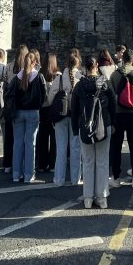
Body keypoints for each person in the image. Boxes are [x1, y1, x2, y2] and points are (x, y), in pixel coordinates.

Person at [72, 54, 116, 208]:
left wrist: (75, 129)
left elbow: (74, 109)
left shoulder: (79, 86)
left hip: (85, 126)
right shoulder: (105, 83)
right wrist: (113, 123)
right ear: (97, 66)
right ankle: (102, 198)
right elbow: (113, 104)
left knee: (88, 162)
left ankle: (88, 198)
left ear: (85, 67)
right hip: (104, 124)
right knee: (102, 161)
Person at [8, 49, 45, 182]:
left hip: (18, 112)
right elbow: (44, 95)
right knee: (30, 144)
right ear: (35, 62)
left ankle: (16, 174)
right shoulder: (38, 76)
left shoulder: (17, 77)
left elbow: (10, 94)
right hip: (33, 112)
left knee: (17, 143)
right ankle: (29, 175)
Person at [108, 47, 133, 186]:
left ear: (122, 59)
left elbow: (110, 96)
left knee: (116, 147)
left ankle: (116, 178)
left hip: (118, 115)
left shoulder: (114, 75)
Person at [51, 49, 83, 186]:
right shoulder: (80, 78)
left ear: (65, 63)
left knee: (61, 148)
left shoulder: (59, 78)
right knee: (76, 148)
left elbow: (50, 98)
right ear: (77, 63)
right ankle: (76, 179)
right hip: (76, 116)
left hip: (60, 116)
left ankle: (59, 179)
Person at [2, 45, 28, 175]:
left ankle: (7, 164)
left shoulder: (8, 67)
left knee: (9, 136)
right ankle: (20, 164)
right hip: (22, 104)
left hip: (10, 104)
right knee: (22, 138)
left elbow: (5, 85)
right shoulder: (27, 68)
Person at [36, 53, 59, 175]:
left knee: (42, 137)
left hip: (43, 109)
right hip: (54, 109)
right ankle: (53, 164)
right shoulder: (58, 76)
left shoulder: (39, 75)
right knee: (54, 137)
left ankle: (42, 164)